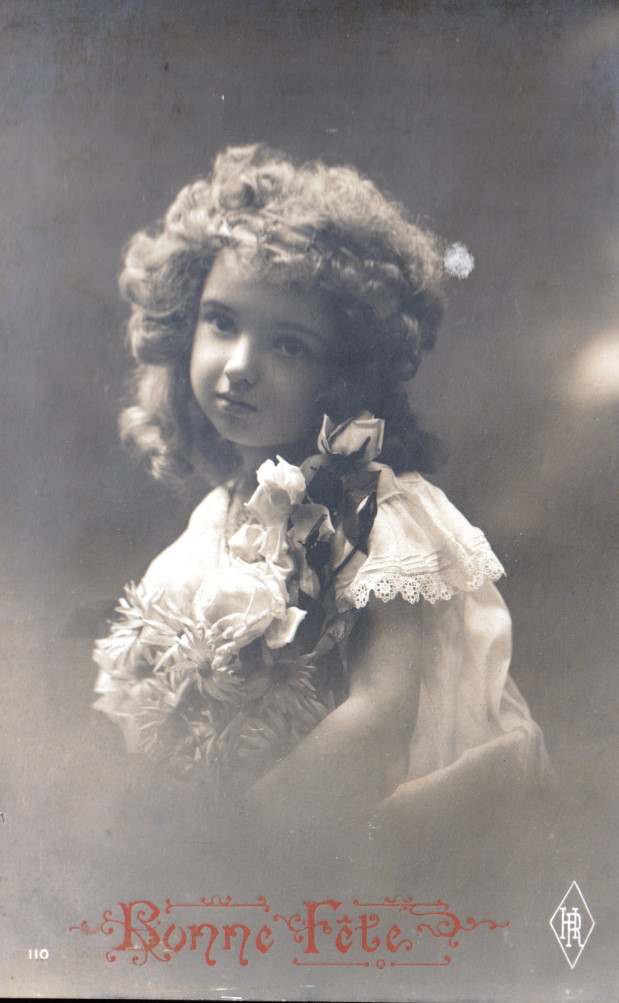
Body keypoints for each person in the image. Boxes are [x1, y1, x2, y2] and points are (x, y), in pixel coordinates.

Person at [93, 144, 553, 875]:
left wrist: (232, 846)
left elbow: (380, 714)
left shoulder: (373, 511)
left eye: (288, 345)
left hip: (389, 825)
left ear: (342, 373)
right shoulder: (216, 520)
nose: (239, 364)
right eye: (221, 322)